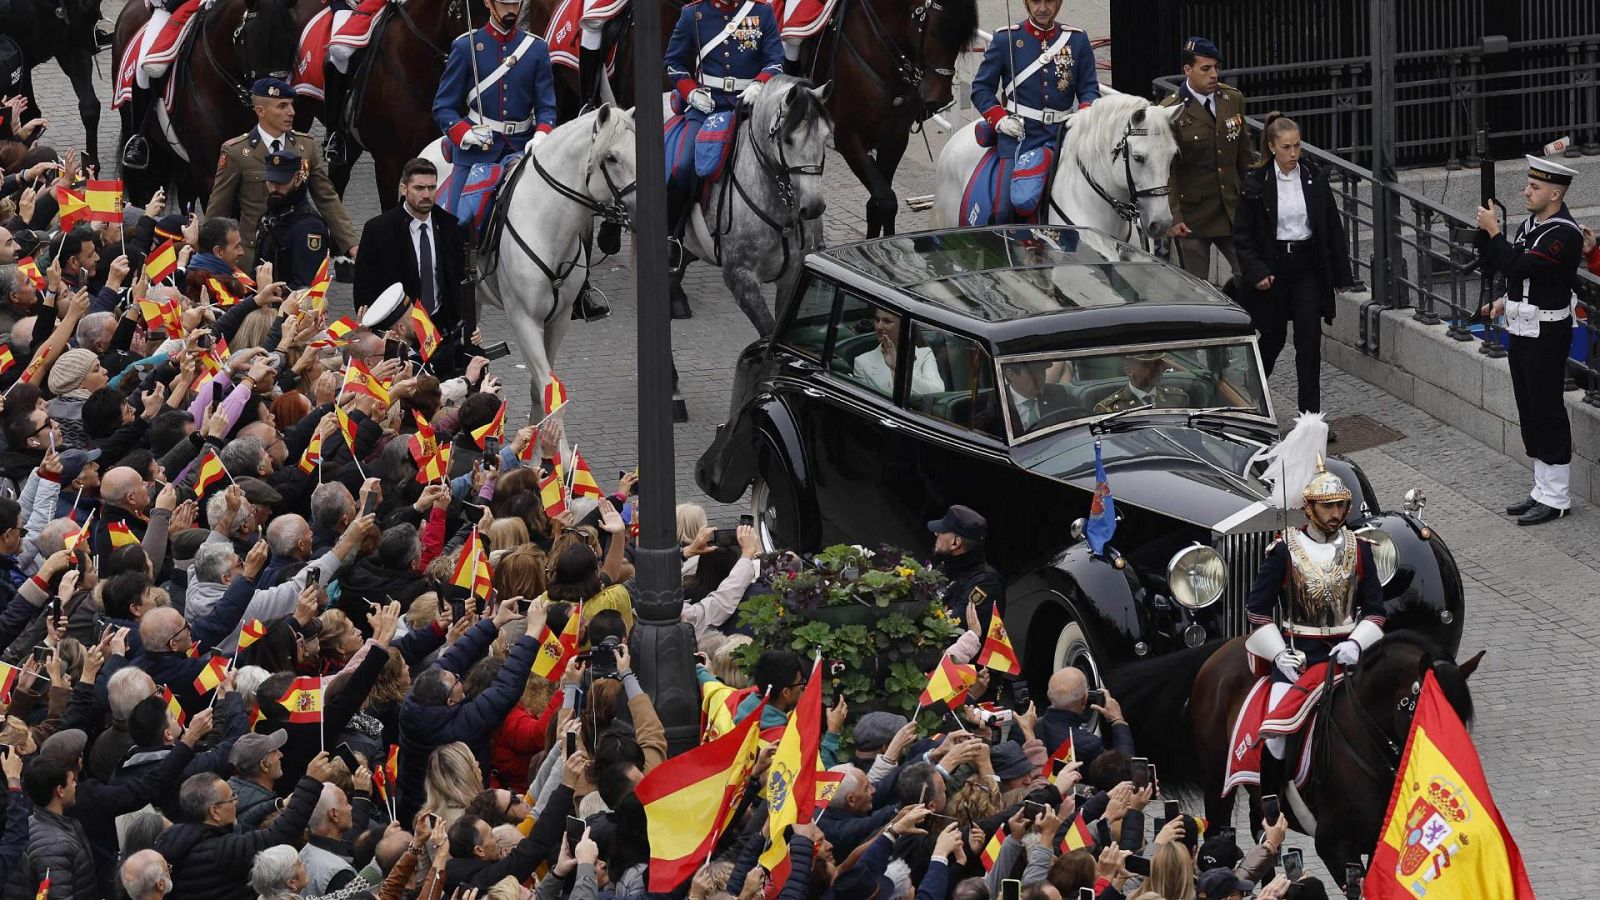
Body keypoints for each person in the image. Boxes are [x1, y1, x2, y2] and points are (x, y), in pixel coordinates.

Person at [1244, 459, 1384, 781]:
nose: (1336, 514)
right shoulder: (1284, 551)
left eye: (1340, 505)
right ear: (1309, 508)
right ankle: (1271, 799)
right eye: (1327, 507)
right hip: (1299, 655)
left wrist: (1355, 644)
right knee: (1277, 735)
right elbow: (1257, 608)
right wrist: (1280, 654)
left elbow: (1376, 610)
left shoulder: (1360, 549)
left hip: (1347, 654)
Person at [1476, 156, 1584, 525]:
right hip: (1521, 328)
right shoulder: (1529, 225)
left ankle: (1557, 497)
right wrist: (1503, 301)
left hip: (1547, 333)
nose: (1526, 190)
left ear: (1555, 193)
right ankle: (1541, 489)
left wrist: (1493, 232)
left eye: (1535, 187)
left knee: (1548, 409)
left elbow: (1520, 266)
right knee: (1529, 408)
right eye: (1528, 184)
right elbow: (1520, 278)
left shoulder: (1564, 233)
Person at [663, 0, 783, 313]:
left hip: (751, 108)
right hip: (708, 106)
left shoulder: (762, 12)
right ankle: (672, 239)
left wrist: (761, 83)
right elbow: (674, 63)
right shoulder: (693, 14)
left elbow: (775, 60)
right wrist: (690, 92)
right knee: (682, 166)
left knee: (788, 158)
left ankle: (800, 231)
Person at [1233, 113, 1355, 417]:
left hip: (1306, 267)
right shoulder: (1257, 182)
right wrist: (1257, 271)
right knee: (1271, 340)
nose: (1292, 154)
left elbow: (1331, 226)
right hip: (1273, 267)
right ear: (1272, 147)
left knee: (1309, 344)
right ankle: (1248, 402)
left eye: (1297, 147)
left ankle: (1310, 418)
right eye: (1286, 147)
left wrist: (1341, 274)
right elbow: (1243, 235)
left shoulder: (1313, 178)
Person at [969, 0, 1099, 224]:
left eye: (1049, 1)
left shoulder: (1076, 40)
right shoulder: (1005, 39)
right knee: (1003, 210)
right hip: (1019, 137)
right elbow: (981, 89)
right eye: (1035, 1)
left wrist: (1083, 114)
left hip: (1064, 136)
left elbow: (1089, 89)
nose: (1042, 8)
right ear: (1026, 3)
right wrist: (1000, 121)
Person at [431, 0, 558, 227]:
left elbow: (546, 107)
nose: (511, 10)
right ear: (488, 3)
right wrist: (464, 133)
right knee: (455, 222)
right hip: (475, 153)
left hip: (521, 146)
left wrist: (541, 135)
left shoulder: (536, 49)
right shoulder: (466, 46)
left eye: (516, 4)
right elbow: (443, 106)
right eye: (504, 4)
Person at [208, 78, 358, 266]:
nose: (292, 112)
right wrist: (207, 256)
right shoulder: (237, 152)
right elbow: (218, 207)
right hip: (253, 256)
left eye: (291, 106)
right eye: (282, 106)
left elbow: (326, 198)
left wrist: (351, 244)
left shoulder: (306, 146)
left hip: (298, 252)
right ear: (260, 111)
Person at [352, 159, 475, 372]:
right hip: (398, 333)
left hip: (440, 329)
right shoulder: (378, 230)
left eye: (431, 187)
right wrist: (373, 332)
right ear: (403, 188)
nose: (426, 194)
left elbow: (458, 280)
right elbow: (364, 287)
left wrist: (466, 325)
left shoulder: (449, 226)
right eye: (419, 188)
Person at [1158, 36, 1253, 285]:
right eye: (1206, 69)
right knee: (1197, 288)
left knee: (1251, 274)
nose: (1214, 74)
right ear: (1187, 70)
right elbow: (1167, 172)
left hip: (1230, 209)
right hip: (1192, 217)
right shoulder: (1171, 110)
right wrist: (1174, 217)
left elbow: (1244, 156)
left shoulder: (1232, 99)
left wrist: (1254, 198)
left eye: (1216, 68)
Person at [253, 150, 332, 290]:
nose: (275, 188)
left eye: (281, 182)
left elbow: (305, 286)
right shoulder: (269, 217)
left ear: (297, 179)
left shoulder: (310, 228)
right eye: (271, 182)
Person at [928, 505, 1004, 636]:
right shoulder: (949, 565)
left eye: (942, 531)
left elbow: (949, 629)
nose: (936, 533)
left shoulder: (985, 584)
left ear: (955, 543)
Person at [852, 308, 942, 398]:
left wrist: (898, 370)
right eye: (877, 320)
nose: (878, 327)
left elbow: (937, 392)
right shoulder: (862, 362)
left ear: (903, 325)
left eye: (887, 321)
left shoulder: (924, 354)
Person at [1092, 351, 1189, 414]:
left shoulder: (1177, 398)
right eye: (1147, 366)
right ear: (1129, 371)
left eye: (1158, 364)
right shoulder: (1109, 409)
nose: (1157, 369)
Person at [1003, 360, 1073, 433]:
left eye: (1042, 371)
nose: (1041, 377)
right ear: (1010, 374)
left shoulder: (1057, 393)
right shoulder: (997, 405)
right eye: (1034, 373)